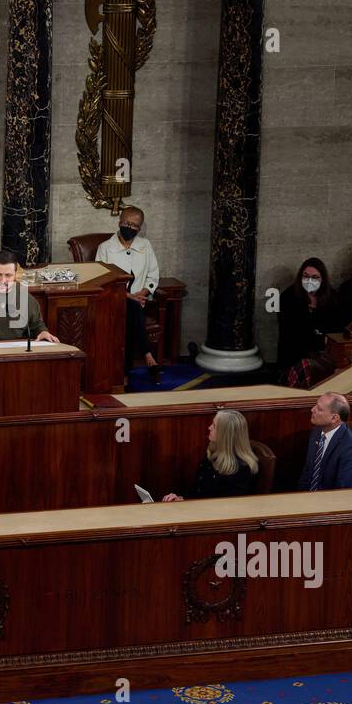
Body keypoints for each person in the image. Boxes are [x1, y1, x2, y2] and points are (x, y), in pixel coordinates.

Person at [95, 206, 161, 373]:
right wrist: (129, 296)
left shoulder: (145, 245)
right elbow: (101, 280)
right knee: (133, 307)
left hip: (140, 299)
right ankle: (147, 354)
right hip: (113, 300)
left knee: (133, 308)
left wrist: (144, 293)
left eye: (134, 225)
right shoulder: (105, 248)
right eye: (126, 223)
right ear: (119, 222)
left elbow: (153, 275)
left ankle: (124, 371)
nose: (129, 227)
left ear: (139, 228)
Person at [161, 409, 259, 500]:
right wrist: (180, 499)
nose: (209, 427)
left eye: (214, 426)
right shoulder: (212, 454)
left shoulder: (242, 470)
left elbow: (228, 509)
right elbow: (197, 492)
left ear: (225, 434)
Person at [277, 258, 341, 369]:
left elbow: (336, 328)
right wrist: (321, 339)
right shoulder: (288, 297)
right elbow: (291, 333)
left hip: (325, 355)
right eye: (305, 276)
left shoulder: (332, 298)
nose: (309, 280)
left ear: (323, 279)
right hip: (294, 357)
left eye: (315, 277)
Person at [297, 392, 352, 490]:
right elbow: (307, 474)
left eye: (319, 409)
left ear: (334, 418)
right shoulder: (316, 432)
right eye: (315, 405)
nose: (312, 410)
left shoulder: (351, 449)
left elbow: (344, 491)